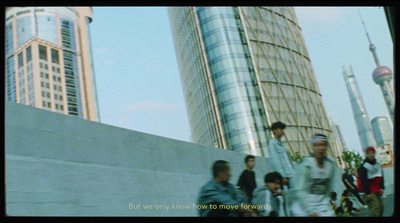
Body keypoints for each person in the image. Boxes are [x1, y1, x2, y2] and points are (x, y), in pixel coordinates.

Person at [289, 134, 338, 217]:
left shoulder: (330, 165)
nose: (320, 148)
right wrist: (310, 211)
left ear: (327, 147)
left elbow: (328, 188)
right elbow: (299, 190)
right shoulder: (306, 165)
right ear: (313, 147)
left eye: (322, 145)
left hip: (323, 206)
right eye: (317, 145)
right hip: (304, 206)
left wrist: (327, 202)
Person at [267, 121, 294, 216]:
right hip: (284, 179)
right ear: (274, 131)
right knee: (285, 202)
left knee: (293, 201)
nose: (282, 131)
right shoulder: (272, 144)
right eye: (280, 129)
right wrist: (282, 177)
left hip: (291, 176)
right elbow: (276, 162)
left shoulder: (282, 145)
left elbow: (288, 162)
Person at [357, 146, 385, 217]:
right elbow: (364, 180)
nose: (371, 155)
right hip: (368, 189)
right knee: (376, 207)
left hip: (376, 187)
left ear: (374, 153)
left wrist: (381, 187)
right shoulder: (364, 166)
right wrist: (367, 193)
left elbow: (381, 176)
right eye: (369, 153)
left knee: (381, 206)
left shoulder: (378, 164)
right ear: (366, 154)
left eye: (372, 153)